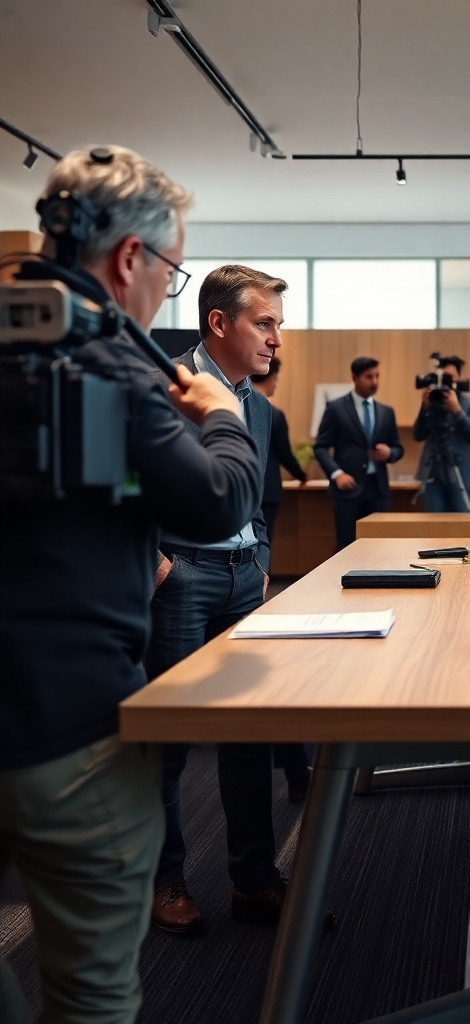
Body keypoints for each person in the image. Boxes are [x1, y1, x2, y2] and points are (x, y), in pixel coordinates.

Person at [0, 146, 263, 1023]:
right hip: (67, 727)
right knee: (91, 991)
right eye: (172, 270)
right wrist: (224, 424)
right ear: (128, 261)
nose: (166, 294)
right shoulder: (107, 364)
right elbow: (212, 503)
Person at [148, 264, 299, 936]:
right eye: (265, 323)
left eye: (278, 325)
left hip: (244, 581)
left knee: (248, 738)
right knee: (166, 743)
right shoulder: (165, 384)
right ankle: (166, 878)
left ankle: (254, 881)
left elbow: (257, 499)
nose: (277, 340)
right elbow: (128, 476)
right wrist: (152, 559)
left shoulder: (260, 408)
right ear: (220, 322)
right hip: (178, 575)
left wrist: (260, 558)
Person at [250, 357, 311, 804]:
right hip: (266, 495)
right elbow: (286, 455)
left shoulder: (261, 409)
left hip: (254, 510)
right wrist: (305, 474)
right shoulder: (271, 411)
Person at [314, 356, 404, 550]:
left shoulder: (386, 412)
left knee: (379, 545)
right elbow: (321, 447)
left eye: (377, 376)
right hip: (348, 488)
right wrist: (337, 474)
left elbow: (398, 448)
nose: (374, 382)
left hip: (378, 489)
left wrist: (389, 453)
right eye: (368, 377)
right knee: (346, 544)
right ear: (354, 378)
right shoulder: (336, 408)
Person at [413, 355, 470, 512]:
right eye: (442, 377)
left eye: (449, 377)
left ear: (460, 377)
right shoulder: (431, 401)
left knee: (461, 525)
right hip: (432, 472)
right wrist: (424, 408)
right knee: (433, 527)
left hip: (459, 472)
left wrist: (457, 411)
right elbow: (417, 435)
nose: (445, 381)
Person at [251, 356, 307, 542]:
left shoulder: (234, 407)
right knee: (264, 542)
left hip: (241, 488)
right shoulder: (274, 414)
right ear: (272, 377)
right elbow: (285, 454)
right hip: (267, 490)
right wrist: (302, 475)